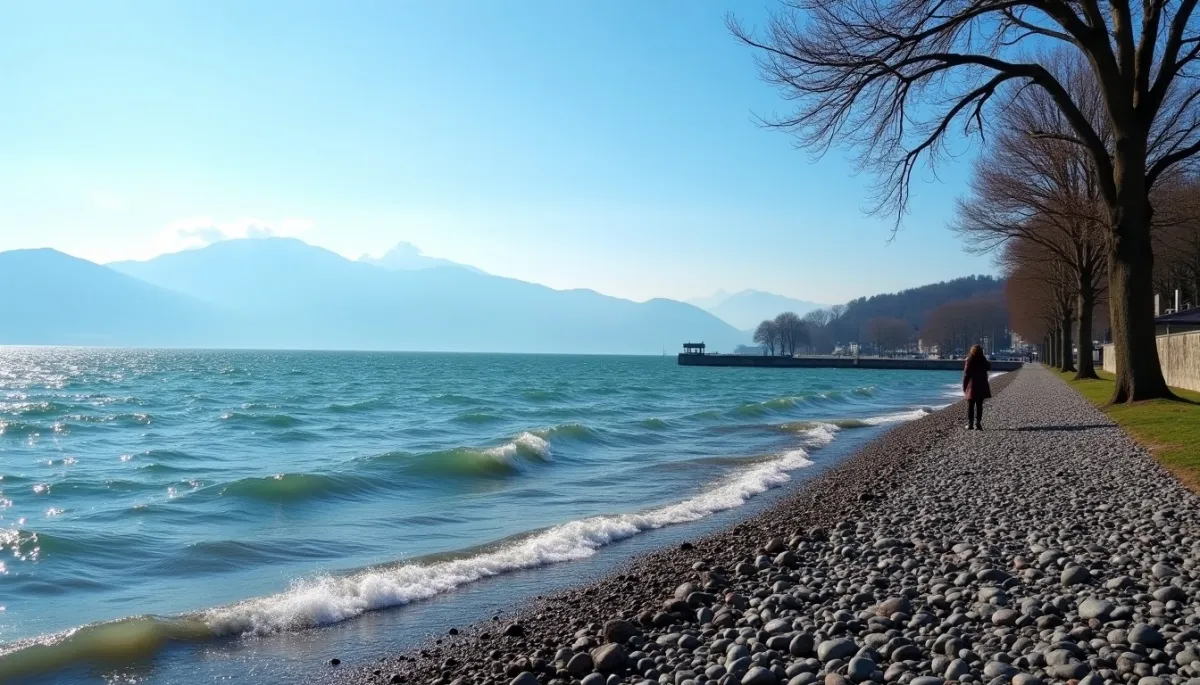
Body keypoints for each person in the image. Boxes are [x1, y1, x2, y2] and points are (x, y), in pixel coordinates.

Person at [963, 344, 992, 430]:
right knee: (979, 405)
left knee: (971, 406)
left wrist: (964, 387)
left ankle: (970, 424)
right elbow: (988, 367)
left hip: (972, 386)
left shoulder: (970, 360)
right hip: (982, 385)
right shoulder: (983, 360)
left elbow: (966, 375)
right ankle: (978, 424)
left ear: (972, 351)